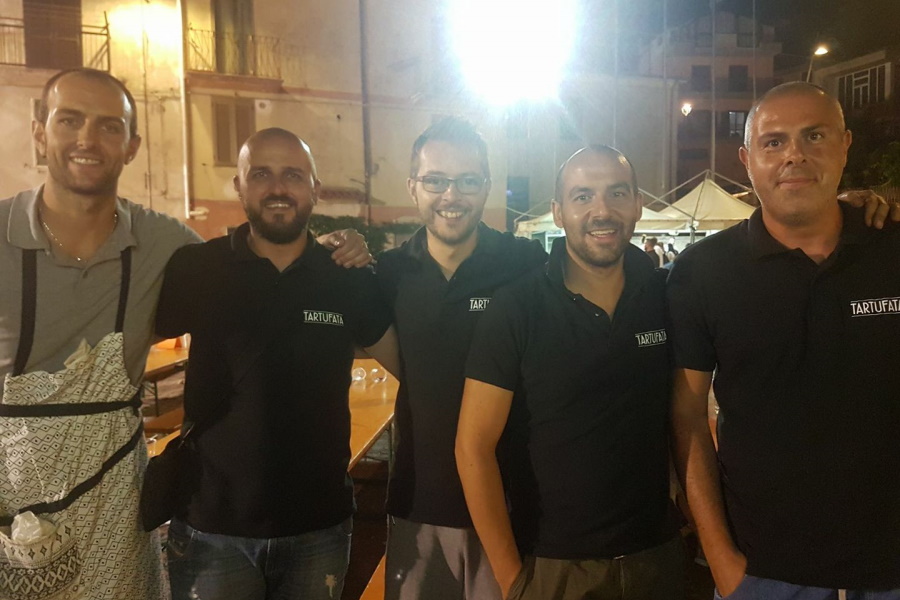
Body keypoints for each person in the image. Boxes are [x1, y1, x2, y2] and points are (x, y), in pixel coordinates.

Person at [0, 69, 374, 600]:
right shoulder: (192, 262)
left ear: (131, 146)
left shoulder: (168, 244)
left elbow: (264, 266)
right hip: (12, 489)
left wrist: (336, 247)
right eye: (69, 120)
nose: (87, 139)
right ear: (40, 133)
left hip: (114, 493)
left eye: (108, 126)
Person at [668, 81, 900, 600]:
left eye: (814, 136)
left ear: (845, 145)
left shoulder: (891, 249)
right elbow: (687, 418)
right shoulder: (702, 273)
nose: (794, 154)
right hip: (764, 575)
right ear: (747, 160)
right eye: (774, 142)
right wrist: (722, 563)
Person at [156, 128, 400, 600]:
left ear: (315, 188)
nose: (277, 188)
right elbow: (122, 350)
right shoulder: (197, 268)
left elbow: (410, 366)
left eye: (293, 175)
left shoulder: (346, 277)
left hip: (319, 527)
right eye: (261, 174)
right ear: (239, 186)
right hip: (212, 528)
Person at [456, 145, 683, 600]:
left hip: (657, 556)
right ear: (558, 212)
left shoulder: (668, 296)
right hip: (554, 566)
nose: (602, 211)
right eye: (582, 196)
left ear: (638, 203)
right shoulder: (516, 308)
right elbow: (472, 446)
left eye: (617, 193)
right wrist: (514, 581)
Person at [376, 117, 547, 600]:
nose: (451, 195)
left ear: (487, 187)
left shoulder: (525, 264)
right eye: (435, 180)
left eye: (468, 181)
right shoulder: (389, 274)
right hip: (419, 503)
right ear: (412, 187)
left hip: (512, 503)